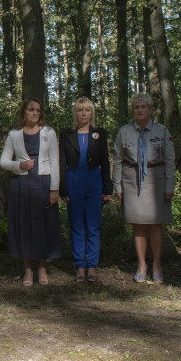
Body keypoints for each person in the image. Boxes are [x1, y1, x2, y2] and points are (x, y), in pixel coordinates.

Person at [113, 93, 176, 284]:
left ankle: (157, 263)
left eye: (143, 107)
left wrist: (169, 184)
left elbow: (170, 160)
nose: (140, 110)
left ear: (150, 109)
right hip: (131, 179)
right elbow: (117, 160)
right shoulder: (124, 132)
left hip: (156, 177)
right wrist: (118, 184)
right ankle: (142, 264)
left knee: (156, 224)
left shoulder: (162, 131)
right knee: (138, 224)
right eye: (136, 107)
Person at [1, 98, 60, 286]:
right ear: (24, 113)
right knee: (23, 225)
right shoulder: (14, 135)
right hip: (21, 184)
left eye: (38, 110)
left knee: (44, 224)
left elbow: (55, 162)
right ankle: (27, 269)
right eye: (31, 110)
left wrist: (54, 189)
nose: (35, 113)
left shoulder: (49, 133)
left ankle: (42, 267)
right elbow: (3, 161)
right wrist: (19, 165)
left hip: (43, 182)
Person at [60, 97, 112, 282]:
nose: (83, 113)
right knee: (77, 226)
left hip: (94, 182)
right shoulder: (66, 133)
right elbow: (62, 162)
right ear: (75, 113)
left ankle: (92, 266)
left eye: (87, 110)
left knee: (93, 225)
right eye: (80, 110)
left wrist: (108, 189)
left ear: (92, 113)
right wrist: (62, 189)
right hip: (73, 181)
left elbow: (105, 161)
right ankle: (80, 267)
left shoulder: (100, 133)